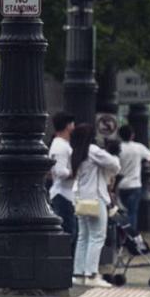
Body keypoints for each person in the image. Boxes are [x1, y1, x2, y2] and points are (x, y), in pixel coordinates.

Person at [70, 123, 120, 286]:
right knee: (97, 236)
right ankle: (92, 275)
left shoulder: (76, 151)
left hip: (81, 200)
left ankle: (78, 274)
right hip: (96, 199)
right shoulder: (93, 150)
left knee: (83, 237)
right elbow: (115, 165)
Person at [116, 125, 150, 236]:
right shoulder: (138, 147)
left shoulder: (117, 147)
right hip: (134, 185)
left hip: (119, 185)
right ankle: (131, 236)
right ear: (132, 135)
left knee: (119, 212)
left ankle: (121, 235)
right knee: (132, 212)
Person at [48, 111, 77, 244]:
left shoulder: (61, 144)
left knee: (71, 230)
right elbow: (60, 171)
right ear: (68, 126)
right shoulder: (60, 146)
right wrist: (74, 173)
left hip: (66, 194)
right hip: (63, 194)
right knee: (68, 231)